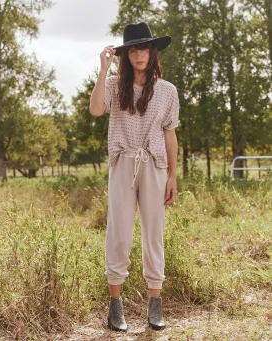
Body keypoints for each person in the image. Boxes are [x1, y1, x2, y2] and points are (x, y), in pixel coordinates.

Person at [89, 21, 179, 332]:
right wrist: (103, 69)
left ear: (153, 51)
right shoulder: (114, 84)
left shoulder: (168, 91)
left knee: (154, 233)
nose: (139, 54)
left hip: (154, 165)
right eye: (133, 49)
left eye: (144, 48)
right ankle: (116, 307)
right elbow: (96, 110)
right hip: (123, 164)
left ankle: (155, 306)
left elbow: (170, 136)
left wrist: (172, 175)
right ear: (126, 55)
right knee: (119, 233)